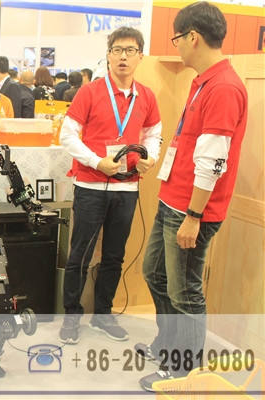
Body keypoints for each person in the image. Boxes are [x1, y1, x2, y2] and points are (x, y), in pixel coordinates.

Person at [137, 2, 248, 391]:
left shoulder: (224, 87)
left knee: (185, 292)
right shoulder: (204, 80)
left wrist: (194, 215)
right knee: (155, 274)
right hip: (174, 199)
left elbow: (213, 160)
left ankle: (183, 371)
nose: (178, 46)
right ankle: (168, 346)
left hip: (191, 210)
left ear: (193, 37)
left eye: (177, 39)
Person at [58, 27, 162, 345]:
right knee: (80, 253)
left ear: (140, 56)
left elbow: (153, 134)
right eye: (117, 50)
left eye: (130, 51)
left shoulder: (146, 96)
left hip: (127, 188)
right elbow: (67, 135)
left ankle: (103, 314)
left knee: (115, 256)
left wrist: (150, 157)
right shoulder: (89, 92)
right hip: (90, 185)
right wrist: (95, 161)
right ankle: (71, 316)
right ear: (108, 55)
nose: (123, 57)